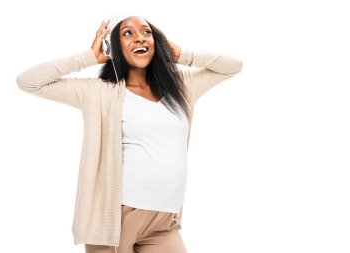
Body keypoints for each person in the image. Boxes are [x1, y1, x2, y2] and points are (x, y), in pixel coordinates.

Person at [16, 13, 243, 253]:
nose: (139, 38)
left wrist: (181, 55)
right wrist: (89, 58)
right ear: (114, 47)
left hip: (163, 222)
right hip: (115, 220)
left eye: (147, 32)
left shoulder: (182, 87)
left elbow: (232, 67)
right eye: (128, 33)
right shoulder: (101, 93)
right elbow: (29, 82)